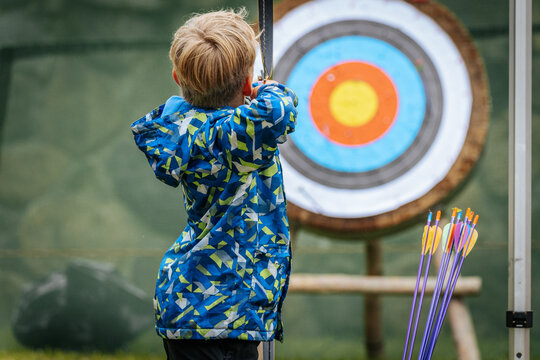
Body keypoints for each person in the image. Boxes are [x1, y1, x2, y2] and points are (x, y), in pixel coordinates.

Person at [130, 8, 298, 360]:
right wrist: (264, 87)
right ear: (247, 84)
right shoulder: (235, 135)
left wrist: (248, 85)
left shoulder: (183, 127)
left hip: (188, 307)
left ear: (177, 77)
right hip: (224, 315)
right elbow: (278, 110)